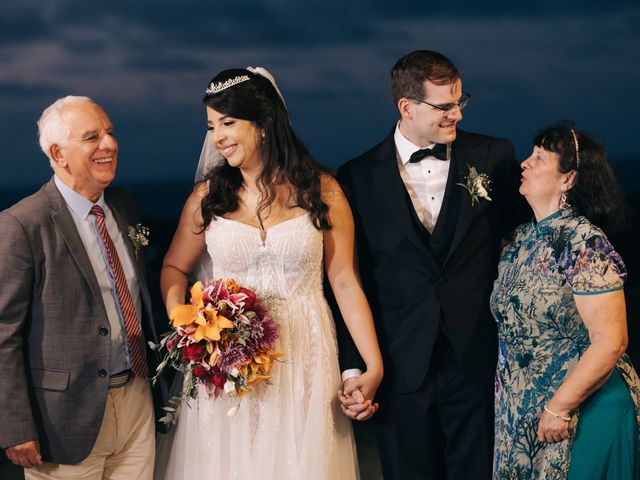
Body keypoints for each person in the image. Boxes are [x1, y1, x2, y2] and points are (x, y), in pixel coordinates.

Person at [156, 67, 383, 479]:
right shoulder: (208, 198)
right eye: (211, 126)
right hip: (231, 362)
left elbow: (345, 280)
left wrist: (373, 364)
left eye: (228, 123)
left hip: (306, 353)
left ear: (262, 124)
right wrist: (186, 321)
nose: (217, 137)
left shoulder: (322, 190)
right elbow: (173, 267)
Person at [337, 50, 527, 479]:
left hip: (478, 358)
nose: (456, 114)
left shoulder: (494, 155)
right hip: (400, 362)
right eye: (444, 106)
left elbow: (523, 242)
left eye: (461, 102)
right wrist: (354, 367)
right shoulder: (356, 178)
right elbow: (350, 281)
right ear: (407, 107)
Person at [0, 96, 168, 479]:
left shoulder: (126, 205)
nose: (109, 144)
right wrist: (15, 426)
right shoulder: (22, 225)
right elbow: (3, 334)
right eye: (92, 137)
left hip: (138, 400)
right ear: (58, 153)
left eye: (110, 133)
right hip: (63, 419)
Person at [491, 124, 640, 479]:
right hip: (523, 411)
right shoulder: (518, 240)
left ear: (568, 179)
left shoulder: (583, 243)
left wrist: (560, 407)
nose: (525, 164)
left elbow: (611, 340)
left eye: (540, 157)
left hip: (582, 411)